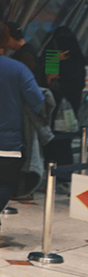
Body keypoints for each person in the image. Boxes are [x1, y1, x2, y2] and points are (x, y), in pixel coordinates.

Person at [0, 23, 44, 251]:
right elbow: (37, 100)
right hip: (6, 141)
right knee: (5, 185)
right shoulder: (18, 69)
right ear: (6, 39)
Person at [38, 25, 86, 187]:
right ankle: (55, 175)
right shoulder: (53, 57)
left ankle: (63, 176)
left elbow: (59, 84)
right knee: (53, 142)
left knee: (62, 143)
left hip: (65, 109)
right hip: (52, 107)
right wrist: (54, 61)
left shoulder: (75, 62)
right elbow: (47, 81)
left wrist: (55, 81)